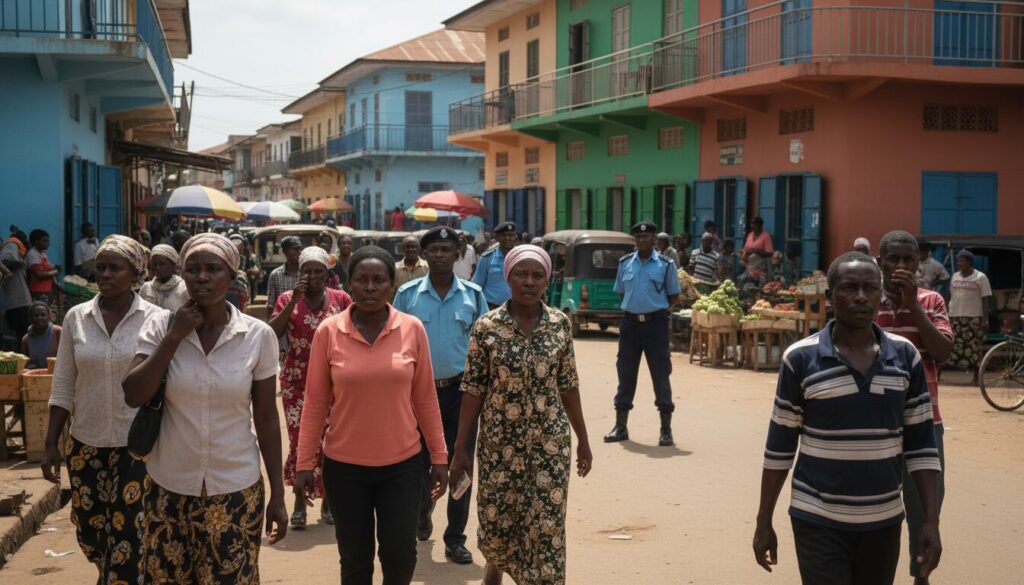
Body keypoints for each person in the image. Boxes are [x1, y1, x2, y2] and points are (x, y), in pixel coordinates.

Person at [753, 251, 942, 585]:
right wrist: (763, 519)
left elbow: (922, 447)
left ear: (880, 295)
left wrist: (930, 521)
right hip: (817, 518)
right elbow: (779, 447)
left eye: (870, 288)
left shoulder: (905, 357)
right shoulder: (801, 359)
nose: (861, 297)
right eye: (850, 288)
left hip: (883, 521)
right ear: (830, 296)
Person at [123, 233, 287, 583]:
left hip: (235, 487)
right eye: (193, 269)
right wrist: (174, 336)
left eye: (213, 269)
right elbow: (133, 393)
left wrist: (278, 492)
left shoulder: (257, 335)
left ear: (232, 276)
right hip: (169, 487)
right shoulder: (160, 326)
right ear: (182, 274)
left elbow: (267, 418)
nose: (202, 277)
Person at [295, 245, 448, 585]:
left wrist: (439, 457)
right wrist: (304, 464)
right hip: (344, 468)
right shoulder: (329, 332)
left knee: (400, 555)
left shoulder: (412, 329)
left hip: (403, 467)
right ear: (349, 284)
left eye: (378, 280)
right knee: (355, 561)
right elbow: (315, 403)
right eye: (361, 280)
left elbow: (425, 398)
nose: (369, 287)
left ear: (391, 285)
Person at [449, 244, 592, 585]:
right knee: (499, 520)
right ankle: (495, 566)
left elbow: (568, 385)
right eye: (521, 274)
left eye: (537, 275)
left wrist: (583, 440)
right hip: (500, 445)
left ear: (547, 280)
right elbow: (473, 389)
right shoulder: (486, 327)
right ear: (508, 277)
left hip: (549, 444)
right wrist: (460, 449)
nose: (529, 281)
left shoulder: (560, 325)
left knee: (546, 523)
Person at [42, 235, 159, 585]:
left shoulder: (156, 319)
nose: (104, 274)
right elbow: (64, 383)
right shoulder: (77, 318)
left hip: (138, 446)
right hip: (86, 443)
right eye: (100, 267)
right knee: (90, 530)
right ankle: (111, 573)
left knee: (129, 531)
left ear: (135, 273)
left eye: (114, 268)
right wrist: (51, 442)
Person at [393, 226, 488, 565]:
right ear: (424, 254)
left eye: (446, 250)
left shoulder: (473, 295)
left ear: (457, 254)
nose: (439, 255)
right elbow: (393, 341)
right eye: (433, 250)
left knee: (460, 462)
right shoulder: (407, 295)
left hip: (462, 394)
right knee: (418, 462)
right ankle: (423, 510)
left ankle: (455, 538)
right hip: (417, 395)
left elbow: (485, 346)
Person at [874, 230, 953, 585]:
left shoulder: (932, 300)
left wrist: (913, 307)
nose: (902, 266)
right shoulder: (867, 301)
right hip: (875, 424)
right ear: (880, 262)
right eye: (894, 259)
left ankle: (920, 578)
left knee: (924, 511)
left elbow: (942, 351)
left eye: (909, 259)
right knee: (876, 509)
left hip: (924, 423)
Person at [268, 246, 352, 529]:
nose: (313, 276)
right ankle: (299, 502)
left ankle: (328, 501)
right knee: (300, 441)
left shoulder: (341, 299)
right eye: (307, 271)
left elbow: (353, 332)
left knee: (330, 442)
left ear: (327, 274)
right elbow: (272, 333)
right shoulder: (286, 298)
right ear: (299, 273)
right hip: (296, 380)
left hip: (334, 381)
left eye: (318, 271)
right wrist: (294, 300)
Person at [605, 221, 681, 447]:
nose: (642, 240)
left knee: (661, 375)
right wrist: (636, 308)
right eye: (638, 237)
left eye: (646, 237)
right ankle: (620, 426)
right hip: (630, 325)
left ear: (654, 239)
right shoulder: (625, 263)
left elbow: (674, 295)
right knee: (625, 374)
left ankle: (666, 429)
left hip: (655, 325)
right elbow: (622, 293)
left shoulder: (666, 265)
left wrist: (653, 309)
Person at [948, 250, 992, 378]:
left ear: (969, 262)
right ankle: (942, 374)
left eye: (961, 261)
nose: (959, 263)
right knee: (953, 344)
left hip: (973, 317)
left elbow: (985, 298)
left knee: (974, 346)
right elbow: (951, 296)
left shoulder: (980, 277)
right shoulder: (955, 276)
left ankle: (976, 376)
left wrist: (985, 319)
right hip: (955, 315)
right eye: (958, 261)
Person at [472, 222, 518, 310]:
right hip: (491, 308)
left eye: (511, 235)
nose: (507, 238)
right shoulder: (486, 258)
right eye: (504, 235)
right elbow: (476, 286)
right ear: (497, 238)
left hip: (516, 309)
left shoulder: (522, 257)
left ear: (515, 237)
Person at [1, 229, 32, 341]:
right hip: (17, 302)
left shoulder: (18, 249)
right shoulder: (12, 244)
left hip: (21, 301)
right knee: (24, 335)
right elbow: (5, 262)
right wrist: (20, 263)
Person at [139, 244, 189, 311]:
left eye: (162, 264)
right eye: (154, 264)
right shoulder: (146, 288)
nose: (157, 267)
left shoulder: (184, 288)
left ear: (173, 265)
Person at [26, 229, 60, 316]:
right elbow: (39, 275)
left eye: (48, 241)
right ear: (36, 242)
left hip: (46, 290)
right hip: (39, 291)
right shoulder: (33, 255)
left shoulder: (42, 254)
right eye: (44, 241)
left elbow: (47, 270)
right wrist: (55, 272)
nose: (48, 243)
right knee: (41, 314)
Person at [266, 235, 303, 311]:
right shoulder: (275, 275)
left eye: (300, 249)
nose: (299, 252)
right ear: (285, 251)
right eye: (295, 249)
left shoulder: (306, 273)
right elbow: (271, 304)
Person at [21, 301, 61, 369]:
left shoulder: (58, 332)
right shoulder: (26, 339)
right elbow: (25, 364)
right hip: (36, 374)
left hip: (57, 373)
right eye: (36, 315)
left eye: (43, 315)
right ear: (30, 318)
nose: (40, 318)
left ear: (49, 316)